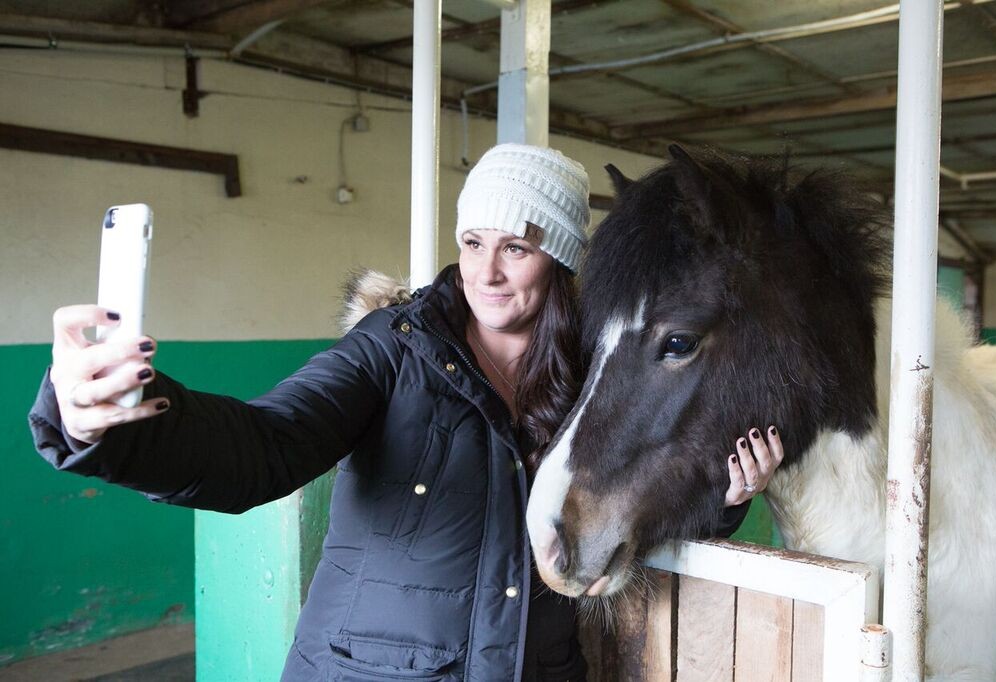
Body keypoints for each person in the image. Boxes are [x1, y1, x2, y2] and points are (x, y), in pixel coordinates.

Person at [28, 143, 783, 681]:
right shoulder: (393, 348)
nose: (485, 270)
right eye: (472, 241)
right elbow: (265, 445)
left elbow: (634, 501)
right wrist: (106, 423)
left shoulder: (597, 380)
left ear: (560, 257)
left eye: (516, 248)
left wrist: (727, 500)